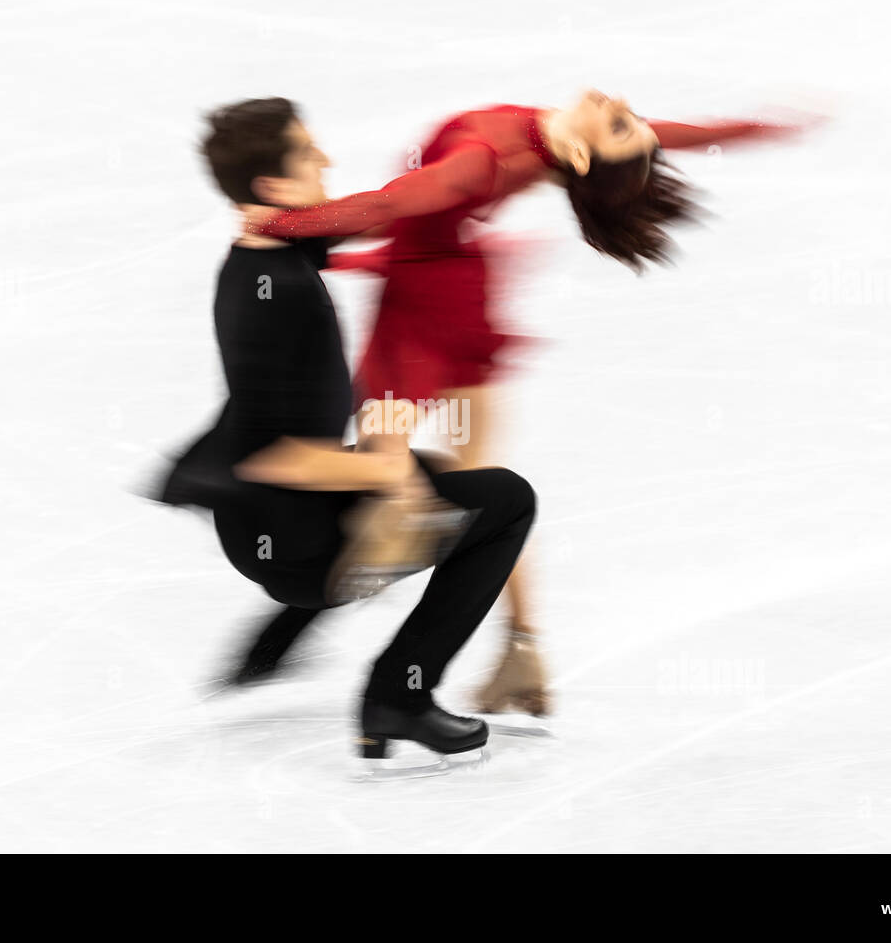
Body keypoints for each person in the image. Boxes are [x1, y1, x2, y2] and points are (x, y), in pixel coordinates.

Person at [249, 90, 807, 716]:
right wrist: (752, 126)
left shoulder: (481, 160)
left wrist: (275, 226)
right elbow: (677, 131)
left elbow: (389, 204)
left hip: (423, 314)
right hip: (453, 288)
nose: (620, 103)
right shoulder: (559, 145)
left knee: (394, 492)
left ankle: (306, 638)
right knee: (466, 489)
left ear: (579, 154)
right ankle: (520, 650)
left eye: (618, 123)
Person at [156, 97, 536, 762]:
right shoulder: (277, 293)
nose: (326, 158)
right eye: (308, 152)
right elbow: (274, 456)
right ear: (274, 186)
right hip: (297, 537)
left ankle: (272, 647)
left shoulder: (274, 250)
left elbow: (381, 213)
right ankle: (399, 694)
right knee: (503, 503)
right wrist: (386, 474)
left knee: (438, 475)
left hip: (276, 525)